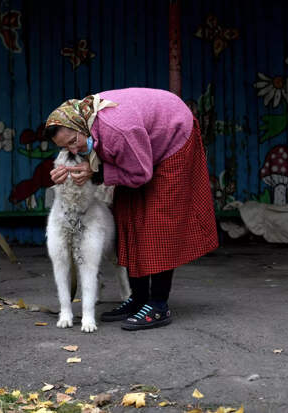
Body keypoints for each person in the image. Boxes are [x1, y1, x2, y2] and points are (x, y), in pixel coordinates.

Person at [44, 87, 218, 331]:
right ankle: (138, 299)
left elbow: (141, 173)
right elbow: (109, 160)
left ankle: (158, 305)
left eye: (74, 142)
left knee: (159, 221)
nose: (74, 151)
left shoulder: (117, 130)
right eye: (66, 148)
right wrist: (74, 169)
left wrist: (95, 172)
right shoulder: (83, 117)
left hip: (175, 136)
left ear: (81, 125)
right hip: (143, 146)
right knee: (127, 212)